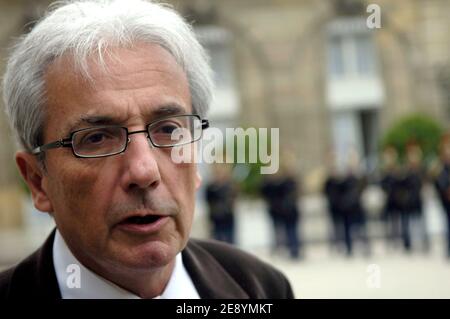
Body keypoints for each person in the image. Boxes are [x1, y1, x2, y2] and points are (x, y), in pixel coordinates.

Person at [0, 0, 293, 299]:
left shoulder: (261, 288)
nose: (144, 171)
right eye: (97, 138)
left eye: (168, 130)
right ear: (37, 180)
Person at [205, 164, 237, 244]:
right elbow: (209, 202)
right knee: (217, 241)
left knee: (230, 241)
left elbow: (233, 199)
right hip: (216, 218)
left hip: (228, 218)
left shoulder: (230, 185)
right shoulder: (211, 187)